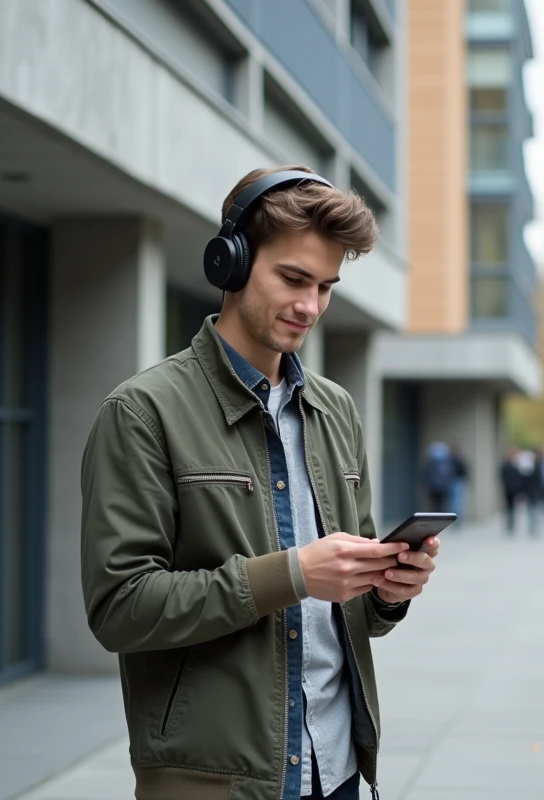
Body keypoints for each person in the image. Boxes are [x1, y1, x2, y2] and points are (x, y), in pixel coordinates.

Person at [79, 165, 441, 800]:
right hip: (215, 783)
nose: (311, 306)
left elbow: (349, 611)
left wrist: (387, 591)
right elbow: (119, 610)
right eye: (294, 279)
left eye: (326, 286)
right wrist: (293, 574)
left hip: (339, 772)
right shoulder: (142, 413)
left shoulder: (336, 411)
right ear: (232, 264)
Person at [422, 441, 455, 513]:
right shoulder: (444, 464)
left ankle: (437, 517)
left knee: (436, 505)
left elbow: (426, 476)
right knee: (440, 505)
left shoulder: (430, 464)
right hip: (440, 488)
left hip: (436, 488)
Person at [500, 446, 526, 535]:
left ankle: (512, 525)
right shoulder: (506, 465)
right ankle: (509, 525)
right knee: (509, 508)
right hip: (509, 489)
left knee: (514, 508)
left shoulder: (517, 465)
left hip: (516, 490)